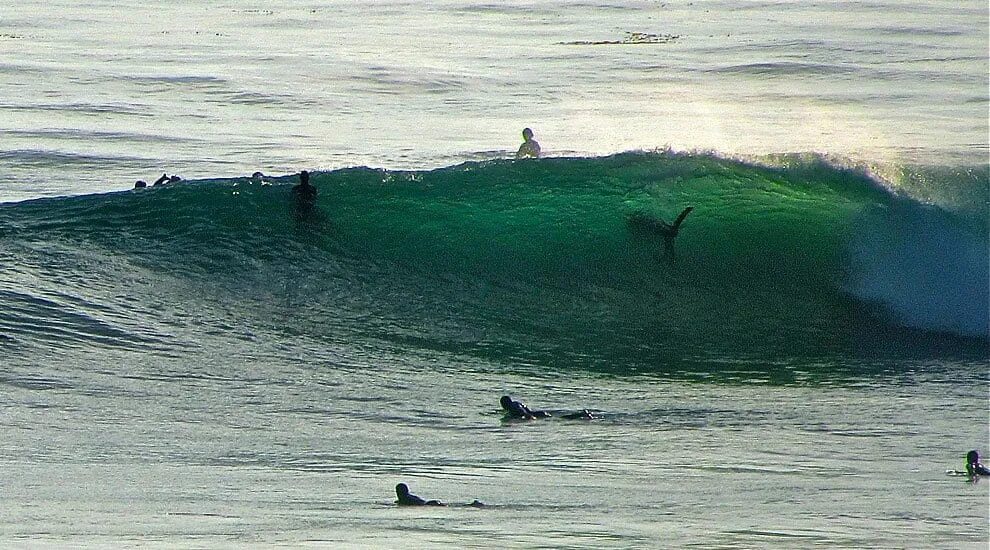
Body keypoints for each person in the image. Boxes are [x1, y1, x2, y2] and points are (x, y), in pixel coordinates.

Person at [628, 206, 694, 261]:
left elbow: (680, 218)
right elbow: (680, 218)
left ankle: (634, 220)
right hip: (654, 227)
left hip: (654, 227)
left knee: (643, 225)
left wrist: (687, 210)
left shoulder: (669, 235)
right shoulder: (670, 233)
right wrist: (687, 210)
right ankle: (634, 220)